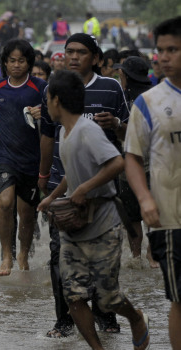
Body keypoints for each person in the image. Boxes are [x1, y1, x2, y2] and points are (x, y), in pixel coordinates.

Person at [38, 69, 150, 350]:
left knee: (107, 298)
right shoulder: (65, 132)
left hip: (103, 223)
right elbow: (71, 174)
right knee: (73, 296)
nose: (46, 104)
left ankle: (136, 318)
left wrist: (84, 189)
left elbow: (116, 163)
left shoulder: (87, 131)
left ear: (56, 100)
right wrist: (52, 196)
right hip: (73, 227)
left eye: (47, 98)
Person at [39, 33, 129, 337]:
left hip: (100, 195)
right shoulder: (54, 89)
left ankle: (108, 315)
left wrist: (115, 125)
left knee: (103, 268)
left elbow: (127, 141)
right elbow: (47, 135)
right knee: (59, 259)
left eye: (80, 52)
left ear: (96, 58)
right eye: (68, 52)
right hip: (62, 187)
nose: (73, 57)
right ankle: (64, 320)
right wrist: (46, 186)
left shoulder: (111, 87)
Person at [125, 16, 181, 349]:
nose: (163, 57)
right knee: (180, 297)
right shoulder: (148, 102)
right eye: (160, 50)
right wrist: (144, 198)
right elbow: (132, 156)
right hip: (170, 218)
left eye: (173, 49)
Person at [0, 39, 47, 276]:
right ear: (4, 63)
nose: (16, 65)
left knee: (26, 213)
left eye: (21, 61)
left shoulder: (41, 88)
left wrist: (42, 113)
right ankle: (6, 255)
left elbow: (54, 117)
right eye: (12, 61)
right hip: (4, 154)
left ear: (29, 62)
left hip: (32, 157)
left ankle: (23, 254)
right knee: (5, 202)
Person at [113, 56, 160, 268]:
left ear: (126, 76)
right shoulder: (154, 96)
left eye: (121, 73)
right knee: (150, 212)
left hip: (135, 165)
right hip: (147, 165)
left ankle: (137, 256)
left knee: (133, 216)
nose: (119, 75)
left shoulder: (130, 99)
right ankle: (149, 256)